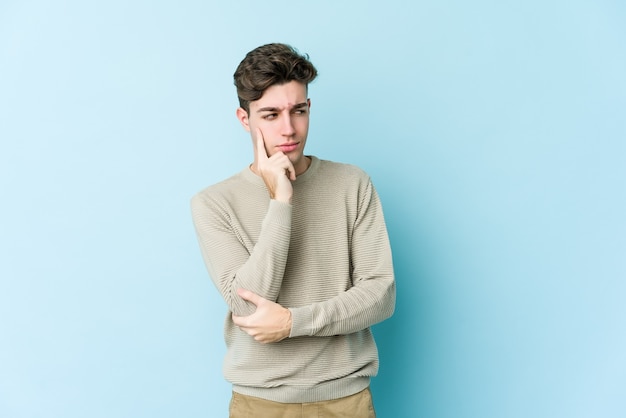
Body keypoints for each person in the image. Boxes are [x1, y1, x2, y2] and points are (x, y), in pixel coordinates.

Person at [191, 43, 395, 417]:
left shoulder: (352, 184)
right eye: (270, 115)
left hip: (345, 400)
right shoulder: (214, 202)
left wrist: (292, 323)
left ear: (309, 109)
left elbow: (380, 294)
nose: (289, 129)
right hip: (260, 403)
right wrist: (281, 201)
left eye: (297, 111)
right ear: (244, 119)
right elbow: (247, 304)